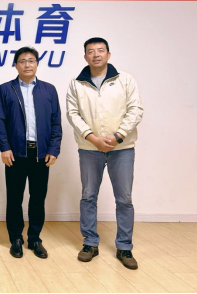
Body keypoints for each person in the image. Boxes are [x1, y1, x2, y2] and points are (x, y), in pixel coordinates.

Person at [67, 37, 144, 270]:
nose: (96, 55)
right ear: (85, 57)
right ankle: (90, 243)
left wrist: (118, 136)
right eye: (91, 51)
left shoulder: (125, 80)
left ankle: (124, 247)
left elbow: (135, 109)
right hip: (90, 149)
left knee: (124, 199)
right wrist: (93, 138)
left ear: (108, 55)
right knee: (88, 196)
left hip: (122, 148)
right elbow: (72, 114)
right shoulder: (76, 84)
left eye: (101, 50)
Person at [0, 47, 62, 259]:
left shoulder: (49, 90)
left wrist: (53, 149)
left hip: (41, 154)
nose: (27, 65)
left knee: (38, 198)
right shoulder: (6, 89)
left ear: (37, 64)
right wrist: (4, 147)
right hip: (15, 153)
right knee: (14, 198)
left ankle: (34, 238)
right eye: (22, 61)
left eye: (31, 60)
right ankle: (16, 239)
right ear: (15, 65)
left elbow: (56, 122)